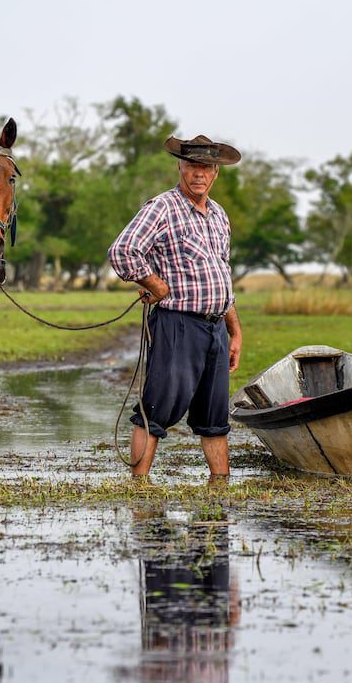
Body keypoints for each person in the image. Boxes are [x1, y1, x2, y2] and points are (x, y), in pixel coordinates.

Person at [108, 134, 243, 480]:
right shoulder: (163, 207)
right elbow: (123, 251)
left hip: (215, 327)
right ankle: (139, 486)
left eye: (206, 167)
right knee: (155, 409)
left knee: (215, 417)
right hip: (177, 324)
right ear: (180, 167)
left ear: (215, 172)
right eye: (192, 165)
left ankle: (220, 486)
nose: (199, 173)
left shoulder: (219, 215)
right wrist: (155, 284)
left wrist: (234, 331)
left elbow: (223, 274)